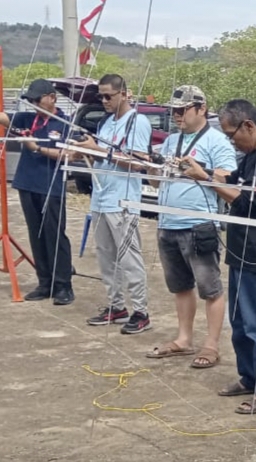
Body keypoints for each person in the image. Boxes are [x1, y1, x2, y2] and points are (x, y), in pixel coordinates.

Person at [184, 99, 256, 414]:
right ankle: (251, 377)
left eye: (232, 135)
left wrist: (206, 180)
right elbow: (235, 182)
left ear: (249, 125)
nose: (232, 142)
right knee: (241, 321)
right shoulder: (252, 156)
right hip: (241, 248)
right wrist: (205, 172)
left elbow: (248, 201)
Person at [144, 85, 237, 367]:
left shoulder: (216, 141)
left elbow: (228, 178)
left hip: (199, 224)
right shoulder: (171, 140)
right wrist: (151, 167)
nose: (177, 115)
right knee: (180, 286)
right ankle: (184, 339)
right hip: (167, 222)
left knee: (210, 288)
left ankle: (211, 345)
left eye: (183, 110)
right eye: (173, 111)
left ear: (201, 109)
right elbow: (156, 182)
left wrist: (201, 171)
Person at [75, 74, 153, 334]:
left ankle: (141, 311)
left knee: (129, 257)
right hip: (100, 198)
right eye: (101, 96)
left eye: (109, 95)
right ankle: (116, 306)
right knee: (106, 257)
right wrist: (84, 150)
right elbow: (101, 156)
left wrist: (99, 150)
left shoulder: (137, 121)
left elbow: (139, 162)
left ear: (124, 94)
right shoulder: (106, 122)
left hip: (123, 201)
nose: (104, 101)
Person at [0, 79, 74, 305]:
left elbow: (69, 155)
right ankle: (45, 282)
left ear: (52, 98)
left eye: (37, 99)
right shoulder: (27, 118)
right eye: (30, 101)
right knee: (36, 234)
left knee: (55, 235)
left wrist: (38, 148)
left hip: (51, 186)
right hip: (27, 183)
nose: (34, 104)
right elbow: (4, 118)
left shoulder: (64, 123)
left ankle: (63, 285)